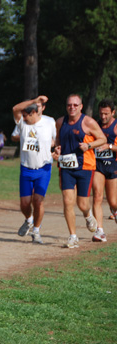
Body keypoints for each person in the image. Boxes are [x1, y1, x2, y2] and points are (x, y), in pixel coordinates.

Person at [52, 94, 106, 248]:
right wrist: (57, 148)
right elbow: (57, 140)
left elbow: (102, 139)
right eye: (70, 105)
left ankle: (88, 215)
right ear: (66, 106)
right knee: (68, 201)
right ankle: (73, 236)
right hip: (66, 167)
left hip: (85, 167)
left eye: (75, 105)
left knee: (82, 204)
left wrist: (89, 146)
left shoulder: (88, 122)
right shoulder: (60, 122)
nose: (72, 107)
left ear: (81, 106)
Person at [12, 96, 56, 244]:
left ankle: (36, 231)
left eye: (25, 115)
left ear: (33, 113)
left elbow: (56, 140)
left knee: (38, 201)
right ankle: (29, 220)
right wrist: (34, 100)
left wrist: (56, 149)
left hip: (43, 168)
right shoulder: (23, 124)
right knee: (24, 204)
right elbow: (15, 109)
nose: (22, 118)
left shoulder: (49, 122)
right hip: (26, 168)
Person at [91, 99, 117, 242]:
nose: (103, 117)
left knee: (113, 201)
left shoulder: (115, 127)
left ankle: (115, 210)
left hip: (113, 166)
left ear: (113, 112)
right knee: (97, 196)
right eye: (101, 113)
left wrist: (110, 147)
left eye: (106, 114)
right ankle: (99, 231)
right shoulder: (95, 125)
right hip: (98, 165)